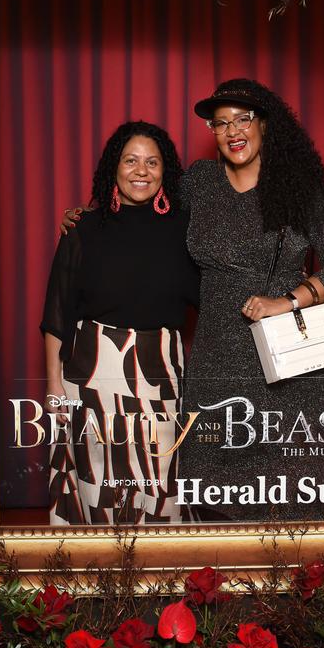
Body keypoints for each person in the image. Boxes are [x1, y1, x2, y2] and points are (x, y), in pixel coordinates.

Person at [63, 79, 324, 523]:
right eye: (220, 123)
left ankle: (299, 587)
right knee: (215, 485)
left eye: (243, 118)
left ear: (266, 125)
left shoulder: (303, 191)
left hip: (286, 359)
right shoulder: (199, 184)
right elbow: (148, 205)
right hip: (217, 350)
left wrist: (289, 300)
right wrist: (94, 214)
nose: (232, 130)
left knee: (290, 482)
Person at [41, 120, 198, 525]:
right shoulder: (82, 229)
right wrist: (54, 386)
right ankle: (96, 576)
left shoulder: (187, 230)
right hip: (92, 372)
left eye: (152, 162)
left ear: (166, 172)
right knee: (96, 476)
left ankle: (155, 579)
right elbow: (56, 313)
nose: (141, 171)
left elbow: (210, 298)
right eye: (131, 161)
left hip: (160, 371)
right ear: (115, 167)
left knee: (158, 474)